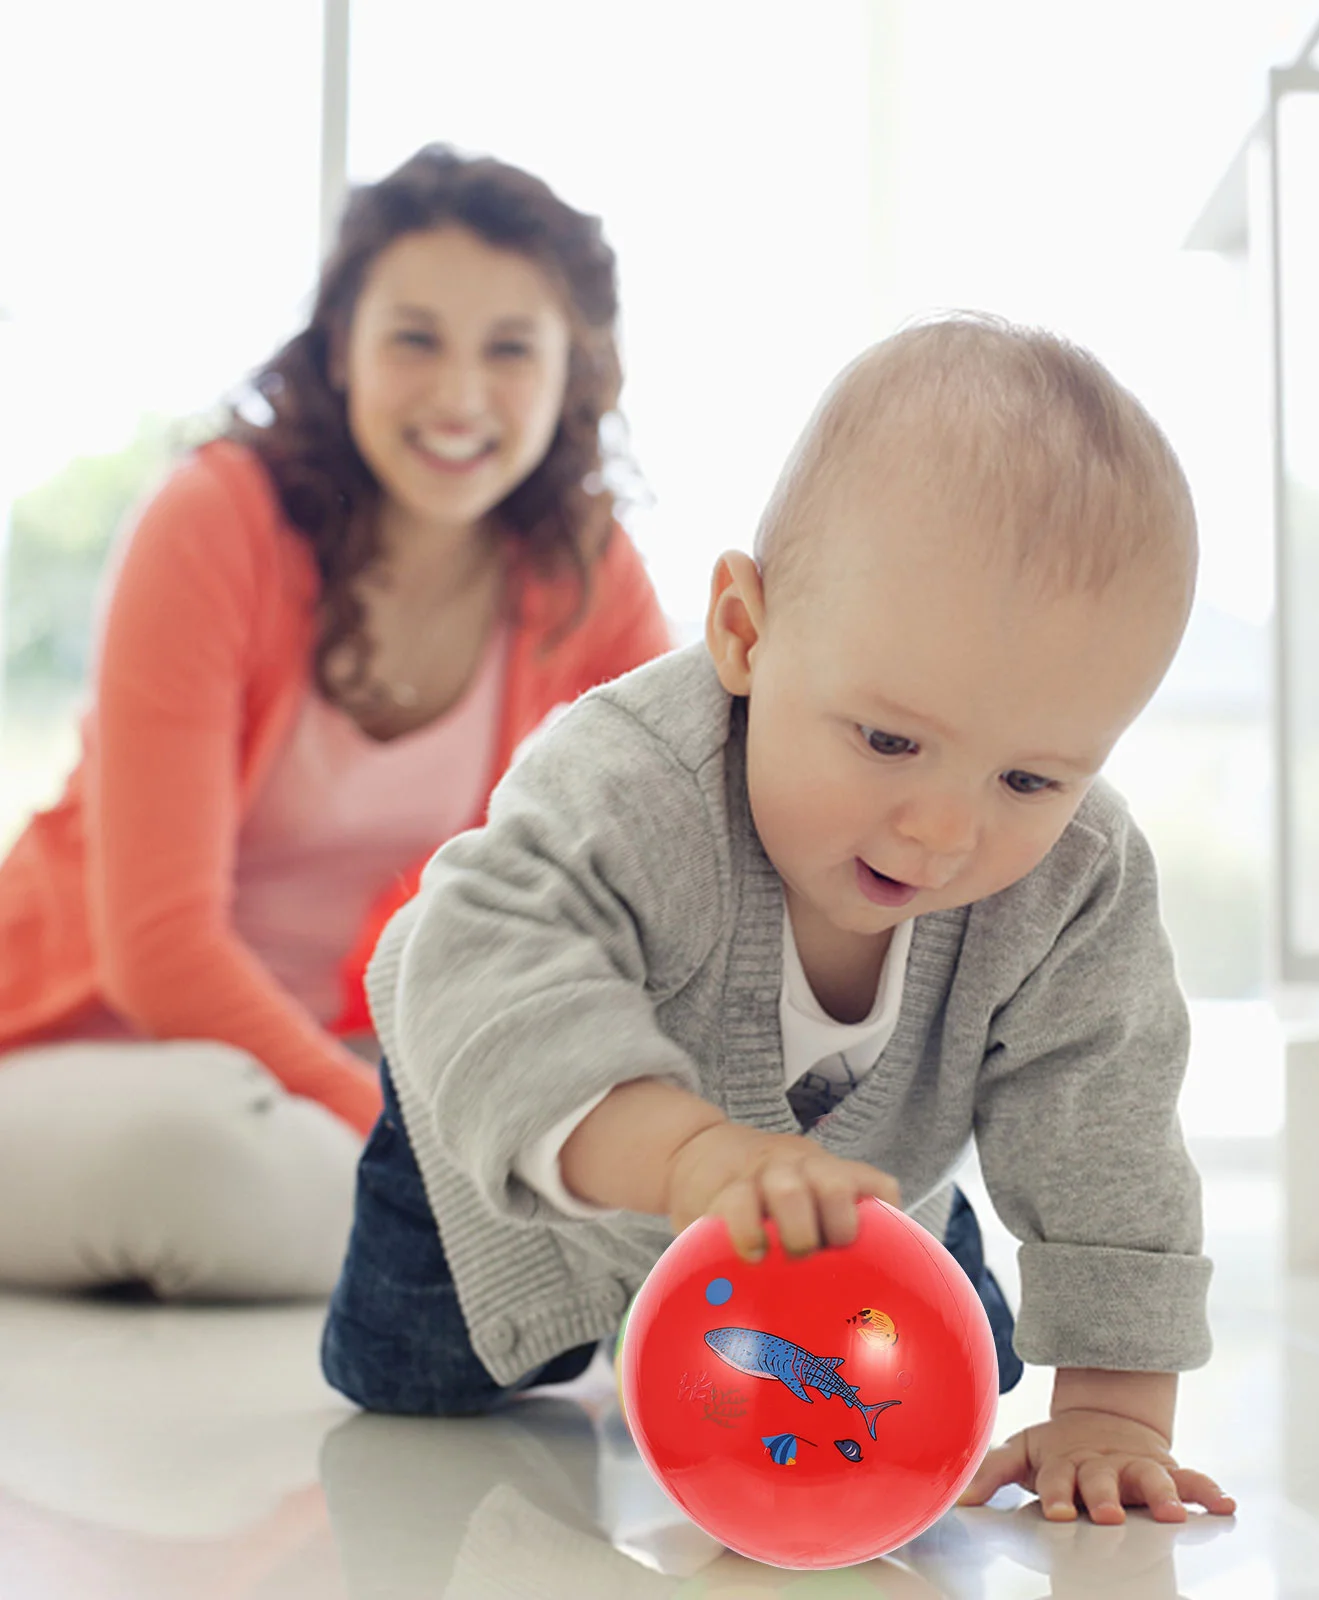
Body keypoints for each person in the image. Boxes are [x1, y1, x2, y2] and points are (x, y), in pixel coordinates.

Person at [322, 314, 1238, 1527]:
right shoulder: (629, 779)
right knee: (416, 1388)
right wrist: (686, 1160)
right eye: (890, 741)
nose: (938, 833)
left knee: (966, 1376)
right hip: (495, 1149)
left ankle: (902, 1236)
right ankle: (556, 1309)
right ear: (746, 634)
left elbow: (1104, 1116)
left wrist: (1116, 1410)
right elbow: (490, 962)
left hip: (827, 1196)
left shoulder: (1075, 877)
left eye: (1028, 780)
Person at [0, 145, 672, 1301]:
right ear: (343, 347)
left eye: (510, 348)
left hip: (336, 1067)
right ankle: (475, 1252)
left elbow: (676, 881)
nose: (460, 395)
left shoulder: (588, 578)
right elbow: (159, 954)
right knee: (204, 1151)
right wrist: (425, 1144)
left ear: (572, 372)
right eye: (415, 337)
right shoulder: (214, 521)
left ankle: (467, 1250)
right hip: (97, 1052)